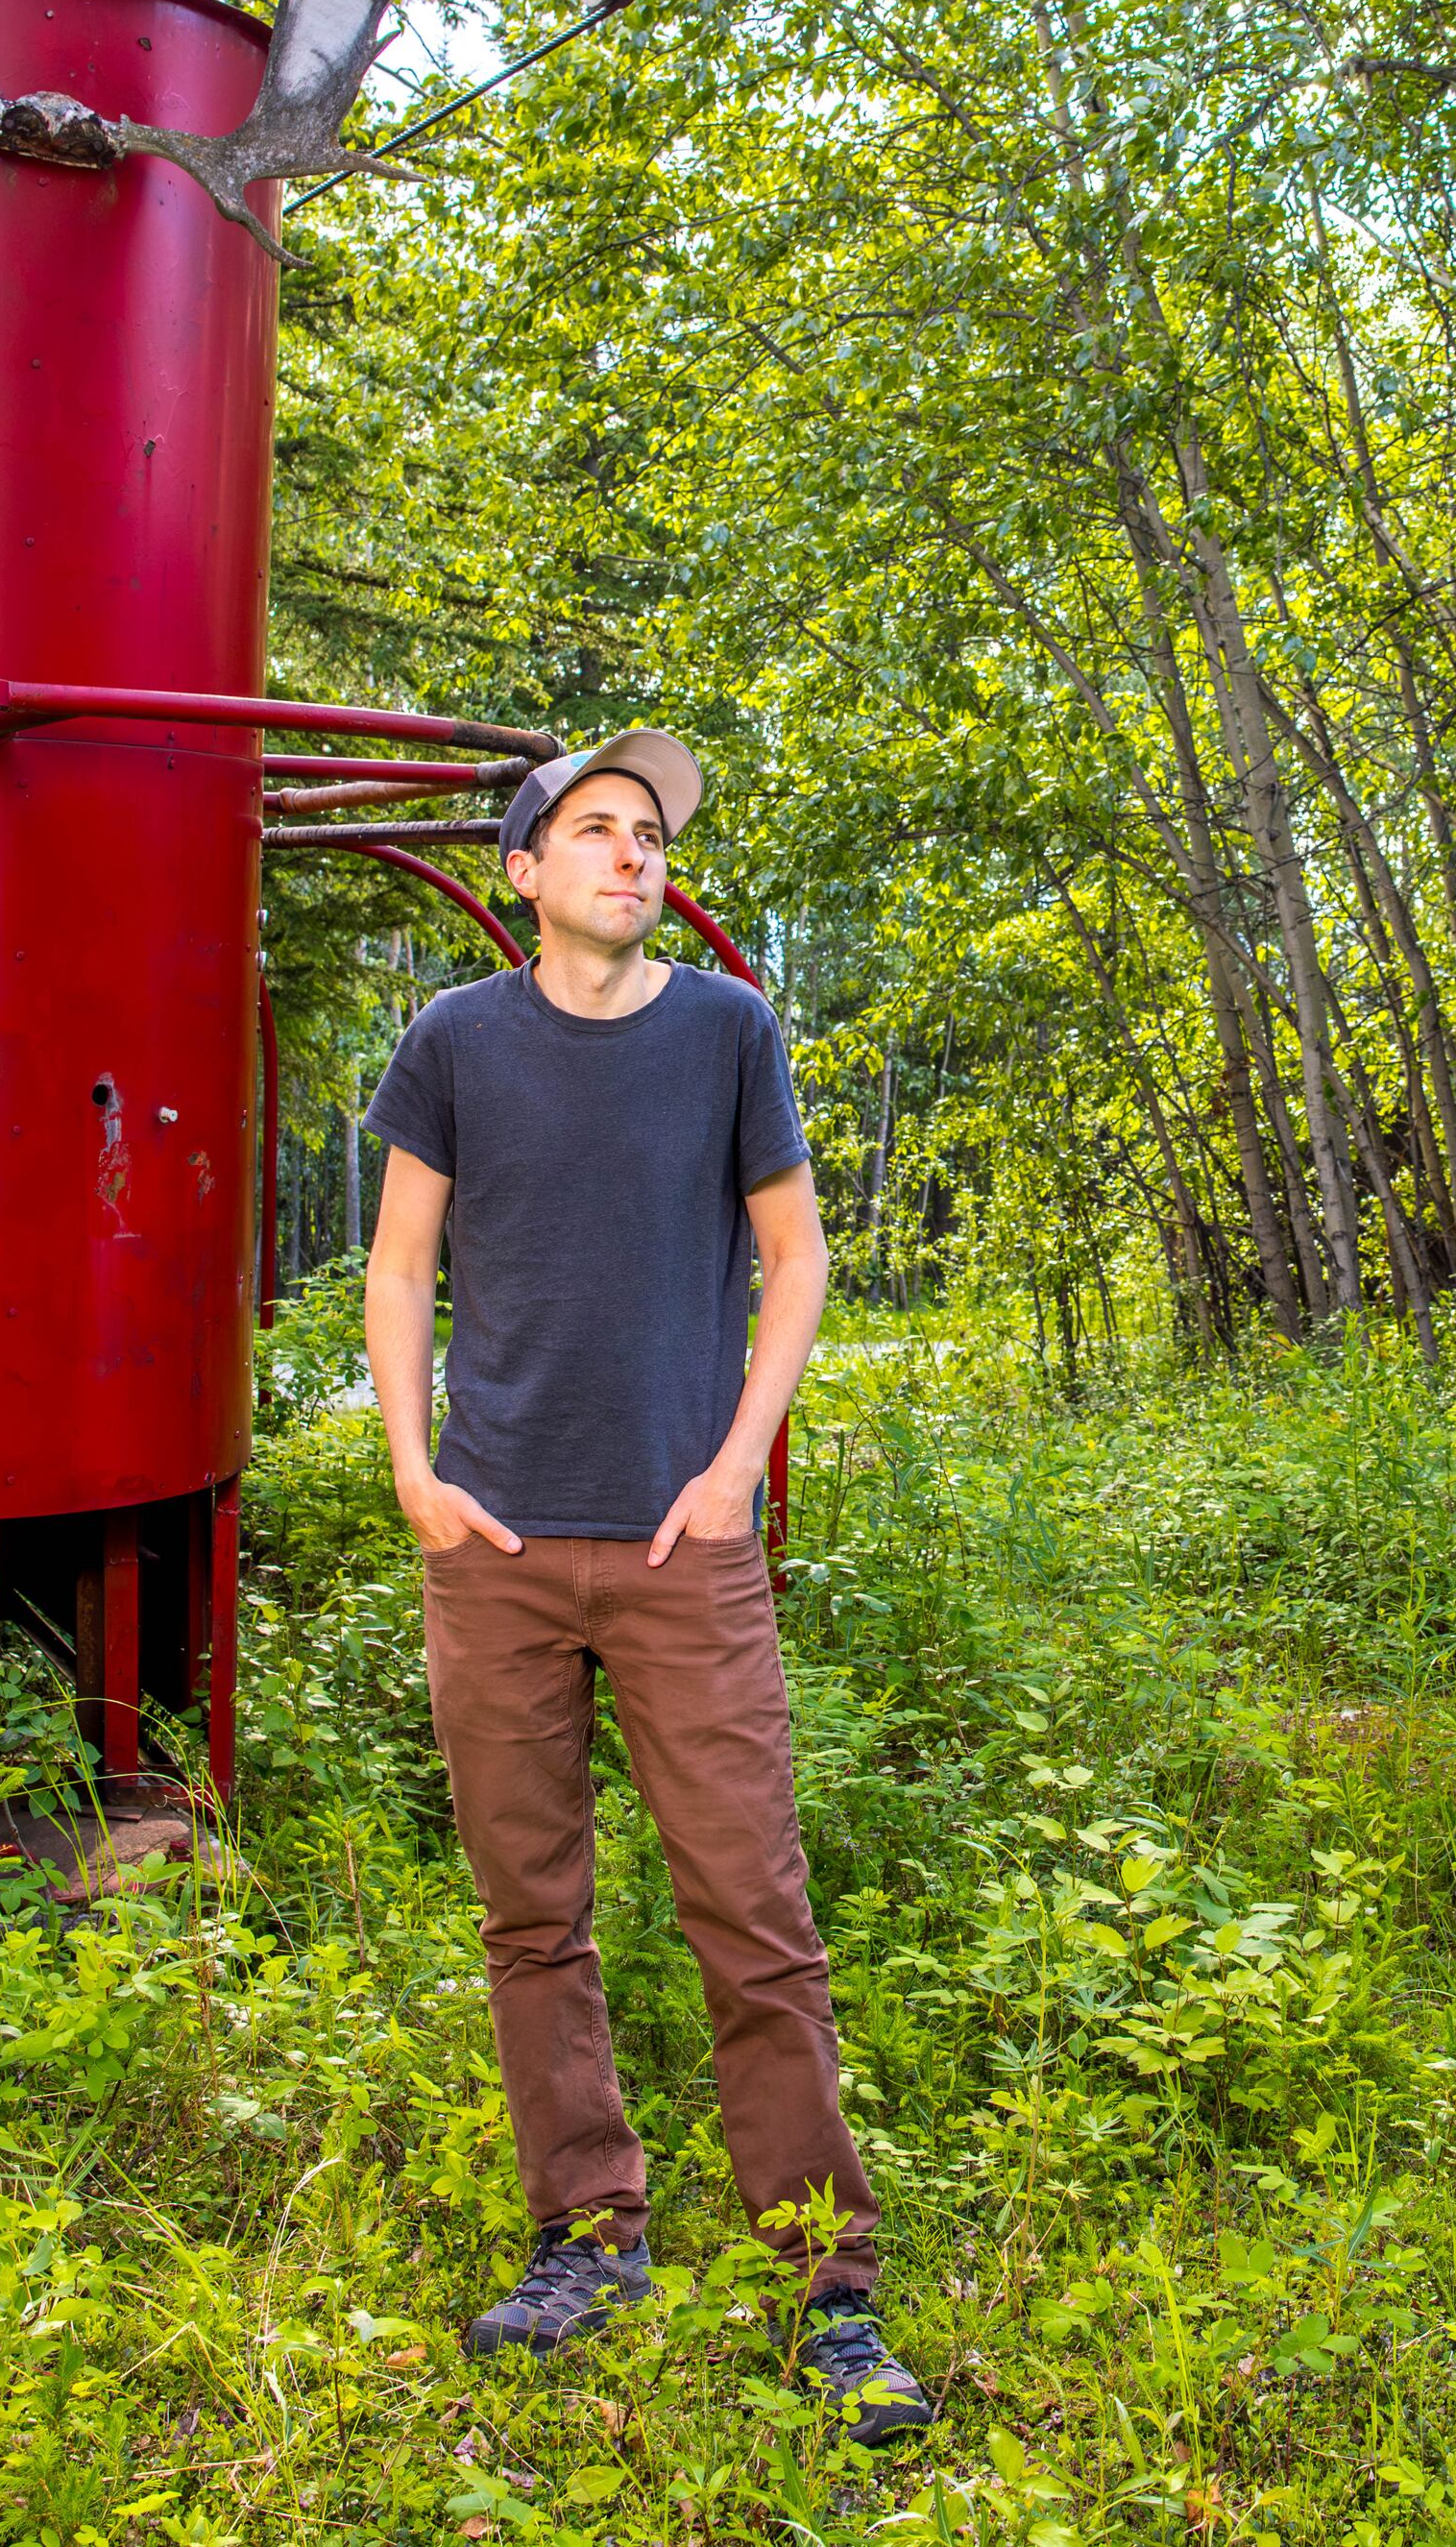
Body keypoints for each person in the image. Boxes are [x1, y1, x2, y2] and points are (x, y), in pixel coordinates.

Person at [361, 726, 936, 2447]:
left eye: (650, 837)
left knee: (753, 1914)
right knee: (531, 1915)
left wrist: (733, 1463)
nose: (633, 855)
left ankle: (830, 2291)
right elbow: (398, 1266)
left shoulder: (725, 1035)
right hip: (503, 1552)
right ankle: (584, 2235)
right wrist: (415, 1474)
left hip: (689, 1554)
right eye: (595, 833)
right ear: (523, 875)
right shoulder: (455, 1043)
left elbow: (797, 1254)